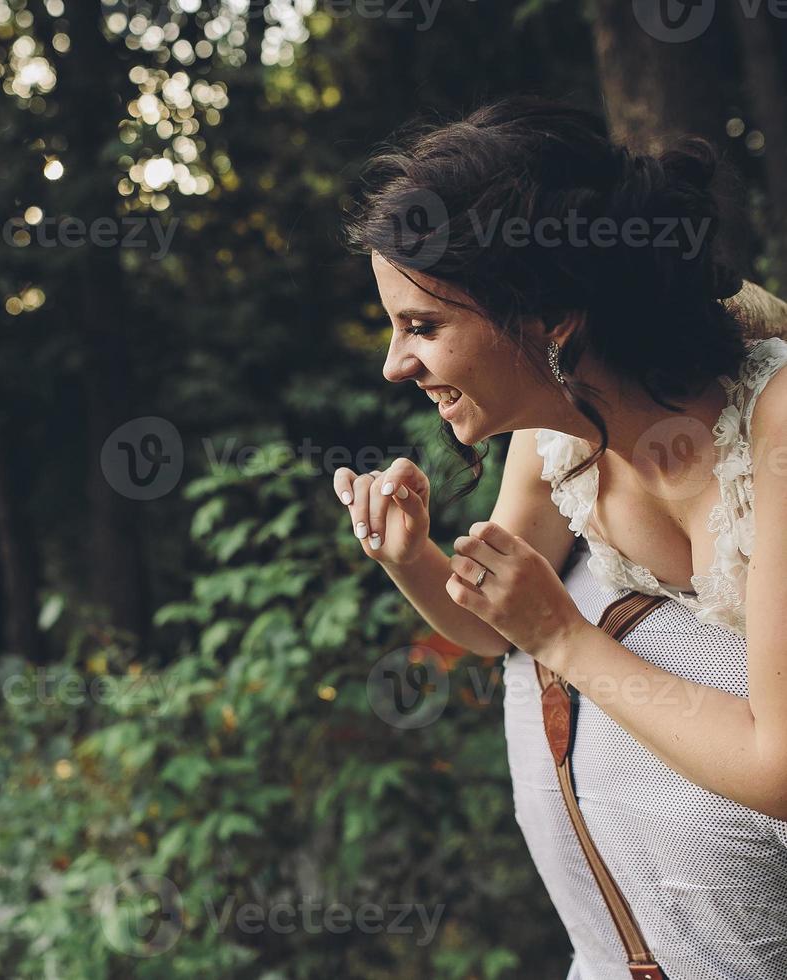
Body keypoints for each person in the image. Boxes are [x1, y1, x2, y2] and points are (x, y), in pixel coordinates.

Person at [333, 94, 787, 978]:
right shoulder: (557, 429)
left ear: (548, 319)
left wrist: (564, 641)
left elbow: (777, 767)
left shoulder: (774, 433)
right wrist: (410, 559)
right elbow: (486, 624)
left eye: (422, 326)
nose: (394, 364)